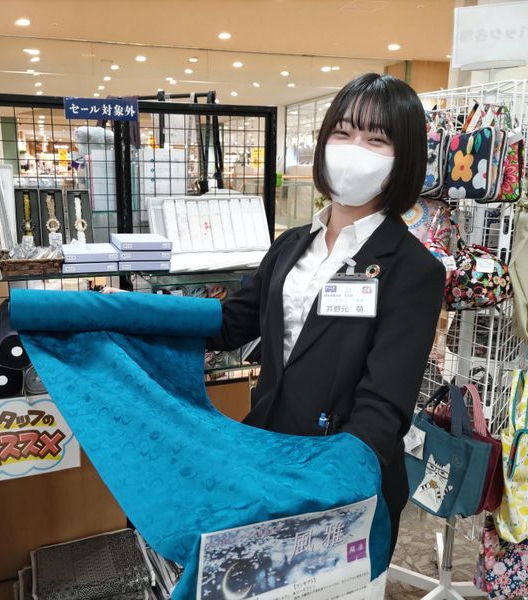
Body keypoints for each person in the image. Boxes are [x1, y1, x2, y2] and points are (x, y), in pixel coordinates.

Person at [207, 73, 445, 558]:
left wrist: (325, 483)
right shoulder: (292, 245)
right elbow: (231, 324)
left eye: (376, 139)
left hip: (340, 483)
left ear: (404, 158)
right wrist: (128, 317)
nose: (354, 149)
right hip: (267, 454)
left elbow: (383, 406)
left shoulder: (414, 269)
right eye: (342, 132)